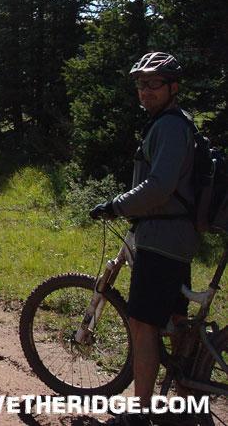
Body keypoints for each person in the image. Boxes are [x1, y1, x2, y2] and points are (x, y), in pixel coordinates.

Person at [90, 52, 199, 426]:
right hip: (177, 236)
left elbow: (159, 186)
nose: (145, 91)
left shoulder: (169, 127)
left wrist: (115, 206)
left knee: (142, 324)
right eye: (141, 84)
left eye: (154, 84)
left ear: (173, 87)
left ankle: (138, 413)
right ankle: (187, 399)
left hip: (161, 238)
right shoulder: (175, 123)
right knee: (174, 319)